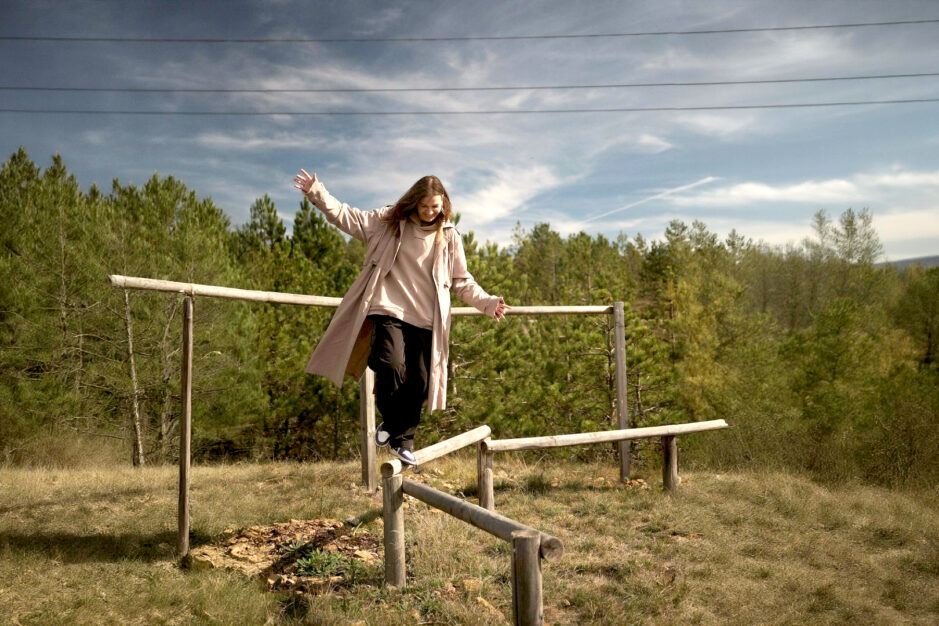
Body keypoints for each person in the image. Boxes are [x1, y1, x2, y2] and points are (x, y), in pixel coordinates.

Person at [293, 170, 510, 465]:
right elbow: (347, 216)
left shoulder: (449, 236)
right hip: (388, 307)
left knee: (421, 383)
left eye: (436, 207)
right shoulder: (388, 223)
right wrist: (317, 192)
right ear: (413, 202)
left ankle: (394, 429)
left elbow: (461, 281)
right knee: (391, 363)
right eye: (424, 207)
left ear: (443, 204)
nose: (430, 212)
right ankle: (401, 437)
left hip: (426, 318)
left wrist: (487, 302)